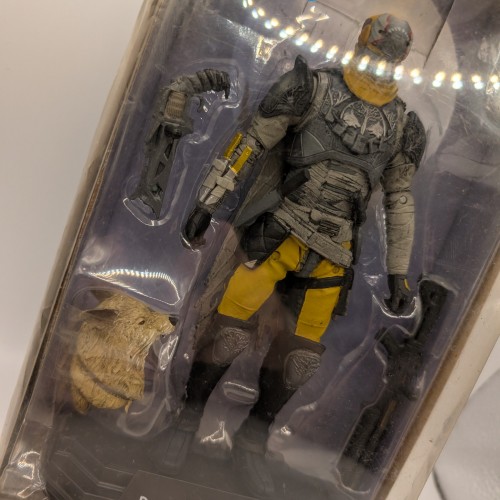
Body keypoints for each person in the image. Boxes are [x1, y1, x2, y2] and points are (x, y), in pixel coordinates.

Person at [174, 13, 425, 496]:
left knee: (301, 356)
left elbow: (399, 199)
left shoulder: (403, 126)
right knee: (229, 328)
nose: (378, 65)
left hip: (334, 251)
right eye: (375, 53)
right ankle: (186, 419)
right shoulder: (309, 87)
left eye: (387, 58)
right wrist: (208, 201)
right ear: (361, 45)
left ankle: (253, 439)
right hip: (280, 230)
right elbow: (251, 141)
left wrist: (399, 274)